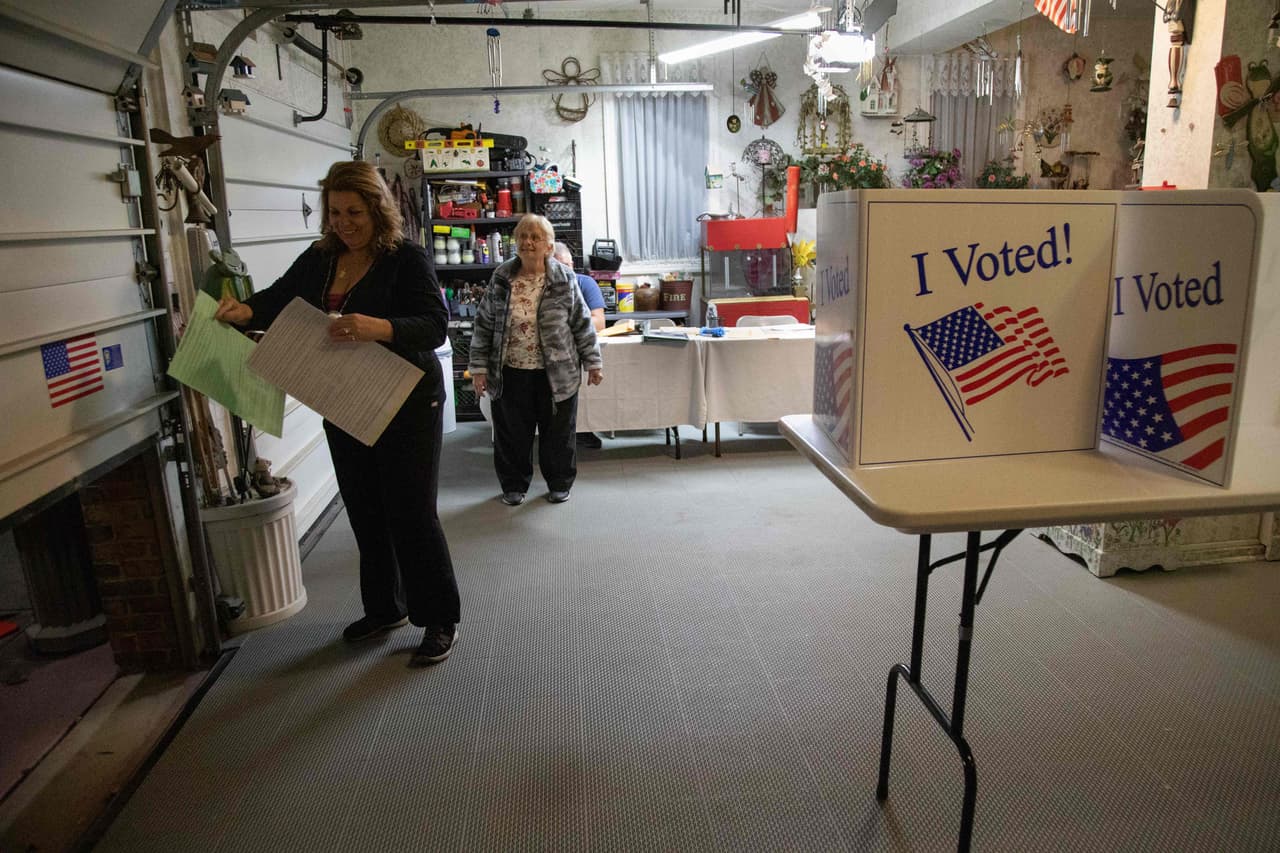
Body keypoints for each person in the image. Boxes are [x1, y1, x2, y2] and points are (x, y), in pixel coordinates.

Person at [213, 160, 460, 666]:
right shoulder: (320, 258)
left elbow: (435, 325)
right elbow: (279, 298)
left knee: (411, 512)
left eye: (354, 212)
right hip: (343, 394)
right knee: (366, 509)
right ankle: (385, 609)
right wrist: (244, 311)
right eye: (335, 212)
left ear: (377, 209)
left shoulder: (406, 258)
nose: (343, 223)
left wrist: (379, 327)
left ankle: (438, 618)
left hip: (407, 398)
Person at [469, 214, 603, 506]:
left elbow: (582, 323)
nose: (528, 242)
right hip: (510, 371)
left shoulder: (564, 278)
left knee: (558, 433)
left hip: (557, 372)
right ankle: (513, 485)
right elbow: (484, 325)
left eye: (535, 237)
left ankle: (559, 483)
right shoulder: (502, 277)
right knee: (511, 434)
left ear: (549, 246)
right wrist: (478, 368)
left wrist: (593, 362)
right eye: (522, 236)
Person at [552, 241, 606, 450]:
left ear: (573, 264)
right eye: (559, 267)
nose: (565, 272)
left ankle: (585, 429)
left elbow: (599, 322)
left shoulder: (585, 283)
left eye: (567, 266)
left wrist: (567, 324)